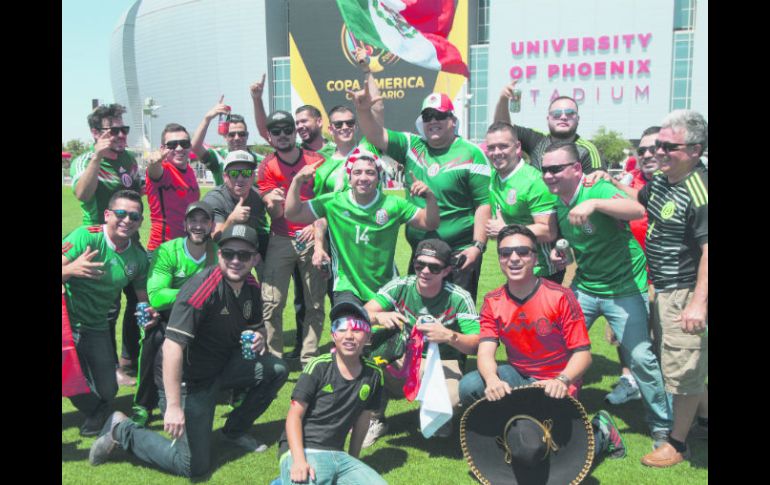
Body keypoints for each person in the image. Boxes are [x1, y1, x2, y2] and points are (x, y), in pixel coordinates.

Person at [88, 224, 289, 478]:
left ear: (255, 259)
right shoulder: (201, 288)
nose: (236, 260)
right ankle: (121, 429)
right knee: (192, 466)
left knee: (277, 369)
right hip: (188, 382)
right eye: (229, 253)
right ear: (219, 255)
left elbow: (256, 325)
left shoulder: (251, 286)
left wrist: (259, 337)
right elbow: (172, 346)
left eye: (244, 255)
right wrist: (173, 406)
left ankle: (234, 430)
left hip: (221, 369)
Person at [542, 141, 673, 449]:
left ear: (577, 169)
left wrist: (596, 204)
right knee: (557, 345)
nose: (548, 175)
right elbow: (579, 245)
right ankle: (557, 408)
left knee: (640, 357)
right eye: (544, 170)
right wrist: (564, 257)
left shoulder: (595, 189)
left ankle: (663, 426)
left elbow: (637, 209)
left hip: (624, 287)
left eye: (556, 169)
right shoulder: (558, 202)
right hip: (586, 285)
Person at [458, 224, 626, 462]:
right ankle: (512, 431)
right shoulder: (493, 300)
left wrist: (562, 380)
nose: (513, 258)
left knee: (553, 458)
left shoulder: (560, 296)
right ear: (500, 259)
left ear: (535, 257)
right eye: (505, 253)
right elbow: (485, 352)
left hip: (556, 382)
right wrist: (493, 379)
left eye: (522, 252)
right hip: (519, 377)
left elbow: (583, 354)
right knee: (470, 386)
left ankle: (601, 431)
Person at [351, 85, 492, 302]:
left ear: (452, 120)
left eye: (439, 115)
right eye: (427, 116)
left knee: (456, 314)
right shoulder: (412, 145)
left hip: (459, 252)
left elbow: (483, 204)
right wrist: (362, 110)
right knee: (417, 312)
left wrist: (477, 247)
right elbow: (376, 135)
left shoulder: (471, 153)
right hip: (421, 251)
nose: (433, 121)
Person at [636, 110, 708, 467]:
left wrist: (698, 303)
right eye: (656, 145)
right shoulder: (664, 181)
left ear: (695, 150)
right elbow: (638, 200)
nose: (658, 152)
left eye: (668, 146)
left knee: (683, 372)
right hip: (662, 288)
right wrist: (605, 184)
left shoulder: (699, 189)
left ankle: (678, 444)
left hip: (685, 291)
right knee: (682, 362)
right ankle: (704, 421)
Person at [362, 238, 480, 446]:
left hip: (443, 361)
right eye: (420, 264)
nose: (425, 271)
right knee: (364, 363)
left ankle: (439, 415)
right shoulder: (401, 286)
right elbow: (361, 314)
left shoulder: (459, 297)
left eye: (434, 267)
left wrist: (449, 336)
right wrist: (378, 317)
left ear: (446, 270)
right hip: (403, 355)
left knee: (453, 398)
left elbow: (477, 343)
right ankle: (375, 418)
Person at [284, 149, 439, 306]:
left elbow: (430, 223)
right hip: (347, 287)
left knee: (382, 323)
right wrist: (297, 181)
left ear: (379, 178)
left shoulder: (394, 204)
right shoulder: (333, 202)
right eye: (357, 172)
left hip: (386, 289)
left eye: (370, 172)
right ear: (349, 178)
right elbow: (292, 214)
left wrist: (430, 197)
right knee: (349, 322)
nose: (363, 178)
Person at [62, 190, 156, 436]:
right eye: (121, 213)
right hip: (66, 324)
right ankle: (95, 412)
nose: (127, 220)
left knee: (108, 390)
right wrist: (70, 269)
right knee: (66, 376)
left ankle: (98, 403)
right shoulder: (86, 237)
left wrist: (148, 312)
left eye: (134, 216)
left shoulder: (137, 258)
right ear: (107, 215)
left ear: (140, 222)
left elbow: (142, 297)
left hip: (97, 326)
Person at [70, 103, 144, 386]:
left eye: (124, 129)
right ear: (95, 133)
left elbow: (136, 193)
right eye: (113, 130)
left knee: (139, 299)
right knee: (108, 309)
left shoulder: (128, 159)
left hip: (131, 242)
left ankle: (129, 359)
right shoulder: (85, 159)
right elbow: (82, 194)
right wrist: (97, 158)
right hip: (100, 244)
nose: (121, 135)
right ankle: (110, 366)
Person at [588, 126, 663, 406]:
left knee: (660, 341)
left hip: (665, 280)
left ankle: (666, 399)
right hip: (627, 276)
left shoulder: (677, 184)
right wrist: (613, 183)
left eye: (654, 148)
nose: (647, 154)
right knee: (623, 336)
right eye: (642, 150)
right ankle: (629, 381)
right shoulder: (632, 181)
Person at [277, 301, 386, 485]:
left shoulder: (374, 374)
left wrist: (354, 460)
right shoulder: (318, 367)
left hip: (338, 454)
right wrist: (299, 461)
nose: (349, 336)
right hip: (303, 449)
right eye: (341, 328)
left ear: (368, 337)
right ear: (333, 335)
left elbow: (363, 420)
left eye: (357, 329)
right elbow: (294, 416)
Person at [130, 201, 218, 426]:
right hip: (170, 315)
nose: (198, 226)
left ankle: (232, 389)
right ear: (185, 224)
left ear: (212, 225)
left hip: (205, 315)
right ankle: (143, 404)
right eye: (193, 220)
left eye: (204, 221)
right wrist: (197, 290)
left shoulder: (218, 253)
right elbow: (157, 297)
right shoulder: (168, 250)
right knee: (154, 338)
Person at [257, 110, 328, 365]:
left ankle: (309, 357)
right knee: (272, 302)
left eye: (288, 129)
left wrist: (316, 230)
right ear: (269, 136)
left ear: (295, 131)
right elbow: (275, 213)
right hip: (281, 238)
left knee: (315, 303)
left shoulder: (316, 160)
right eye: (276, 131)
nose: (283, 135)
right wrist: (272, 202)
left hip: (313, 237)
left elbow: (328, 203)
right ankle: (274, 360)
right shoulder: (267, 165)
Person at [482, 121, 560, 282]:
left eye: (503, 146)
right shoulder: (493, 177)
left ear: (517, 147)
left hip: (542, 270)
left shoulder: (534, 181)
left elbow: (548, 231)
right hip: (513, 265)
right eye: (491, 147)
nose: (496, 152)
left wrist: (505, 229)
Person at [493, 80, 604, 173]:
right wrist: (503, 99)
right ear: (548, 119)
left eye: (570, 113)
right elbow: (502, 130)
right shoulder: (537, 140)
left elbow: (598, 185)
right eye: (556, 114)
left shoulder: (587, 151)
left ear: (578, 119)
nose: (563, 117)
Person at [202, 150, 269, 264]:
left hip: (247, 244)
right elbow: (216, 238)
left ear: (253, 176)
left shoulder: (258, 196)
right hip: (217, 251)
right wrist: (232, 219)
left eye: (246, 173)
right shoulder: (214, 199)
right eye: (234, 173)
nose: (240, 178)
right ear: (225, 177)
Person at [145, 123, 200, 255]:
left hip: (186, 248)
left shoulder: (190, 171)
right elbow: (154, 171)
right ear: (163, 148)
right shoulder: (164, 170)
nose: (179, 148)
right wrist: (154, 162)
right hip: (162, 250)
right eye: (172, 145)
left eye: (184, 143)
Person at [190, 95, 265, 186]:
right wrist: (207, 118)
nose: (237, 138)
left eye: (241, 134)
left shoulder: (260, 161)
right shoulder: (218, 156)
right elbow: (195, 147)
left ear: (247, 135)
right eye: (231, 135)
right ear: (225, 136)